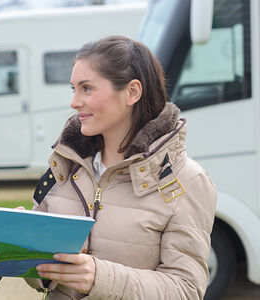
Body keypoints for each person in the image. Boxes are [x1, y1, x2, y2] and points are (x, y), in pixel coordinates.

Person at [26, 35, 217, 299]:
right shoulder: (63, 166)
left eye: (87, 88)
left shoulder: (189, 180)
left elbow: (186, 290)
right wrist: (23, 247)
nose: (74, 102)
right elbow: (39, 279)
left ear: (132, 92)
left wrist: (98, 277)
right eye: (74, 89)